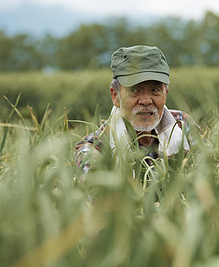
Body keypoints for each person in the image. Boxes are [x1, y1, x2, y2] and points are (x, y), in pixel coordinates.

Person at [74, 45, 198, 180]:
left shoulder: (182, 124)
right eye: (134, 90)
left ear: (165, 93)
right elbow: (94, 193)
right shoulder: (94, 147)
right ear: (115, 96)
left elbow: (214, 176)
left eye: (155, 90)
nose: (146, 101)